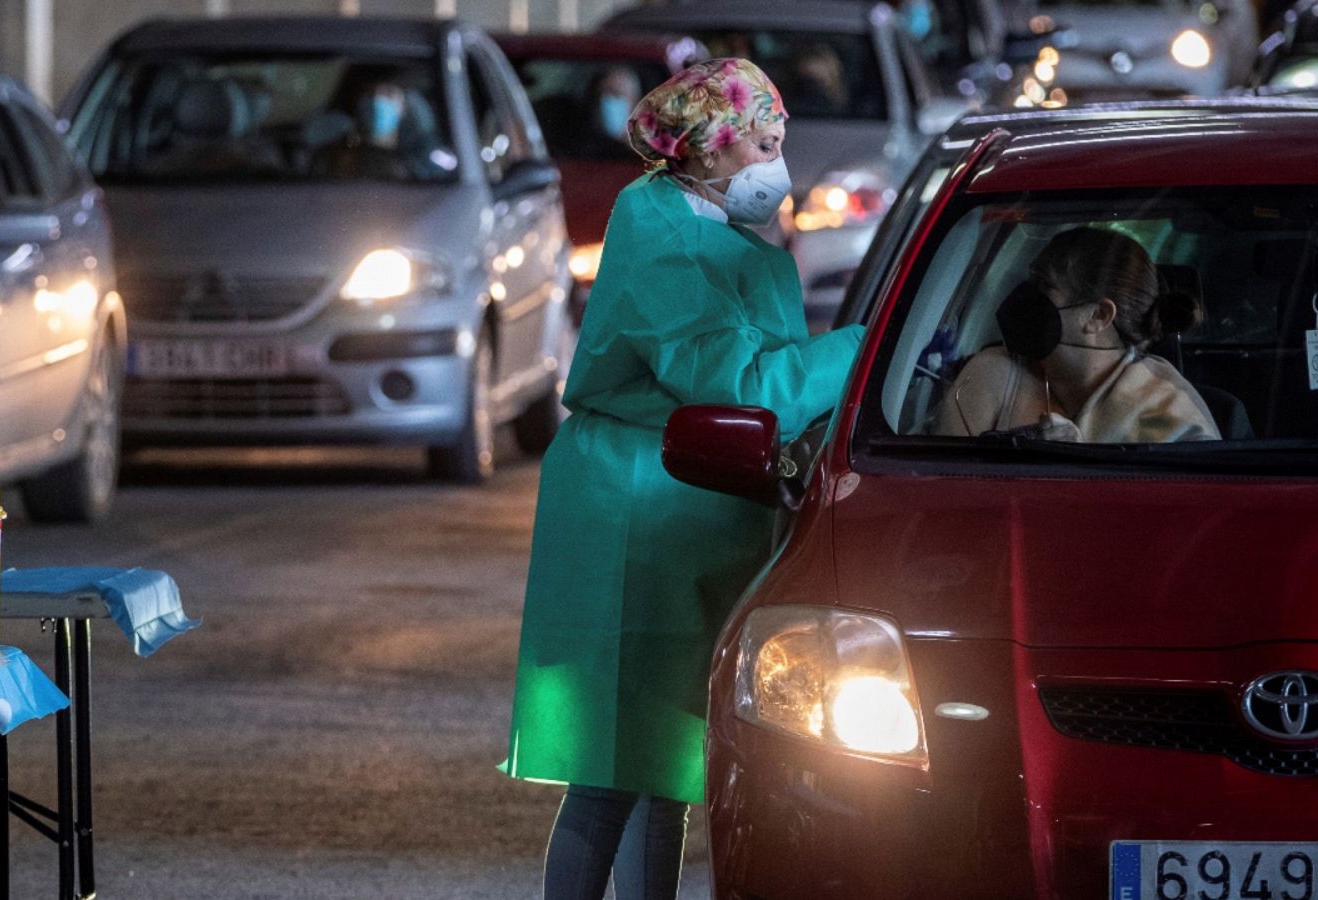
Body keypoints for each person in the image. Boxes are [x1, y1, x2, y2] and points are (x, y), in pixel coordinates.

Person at [501, 58, 865, 900]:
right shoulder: (660, 224)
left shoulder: (717, 229)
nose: (779, 165)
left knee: (663, 771)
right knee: (611, 771)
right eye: (764, 144)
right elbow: (735, 379)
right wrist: (856, 352)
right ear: (709, 150)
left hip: (687, 500)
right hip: (638, 508)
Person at [933, 226, 1220, 443]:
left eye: (1045, 286)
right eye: (1030, 281)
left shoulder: (1170, 424)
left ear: (1098, 316)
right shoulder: (992, 374)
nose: (1025, 298)